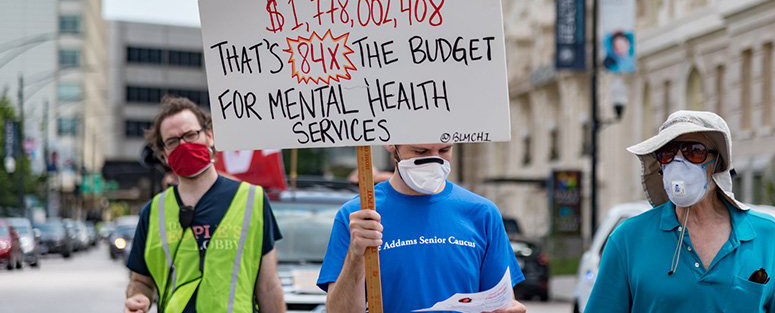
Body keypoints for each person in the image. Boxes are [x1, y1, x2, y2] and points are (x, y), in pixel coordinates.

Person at [584, 110, 775, 312]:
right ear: (660, 164)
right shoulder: (628, 239)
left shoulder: (767, 235)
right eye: (668, 153)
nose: (678, 163)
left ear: (718, 163)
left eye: (694, 151)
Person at [317, 143, 527, 313]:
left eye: (444, 150)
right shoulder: (358, 215)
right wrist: (355, 256)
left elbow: (502, 302)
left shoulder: (482, 213)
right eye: (421, 151)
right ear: (391, 144)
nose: (434, 160)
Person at [124, 96, 286, 313]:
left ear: (209, 136)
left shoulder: (253, 200)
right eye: (172, 142)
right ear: (164, 154)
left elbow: (268, 286)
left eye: (191, 135)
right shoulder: (152, 212)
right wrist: (137, 299)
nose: (184, 145)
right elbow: (140, 281)